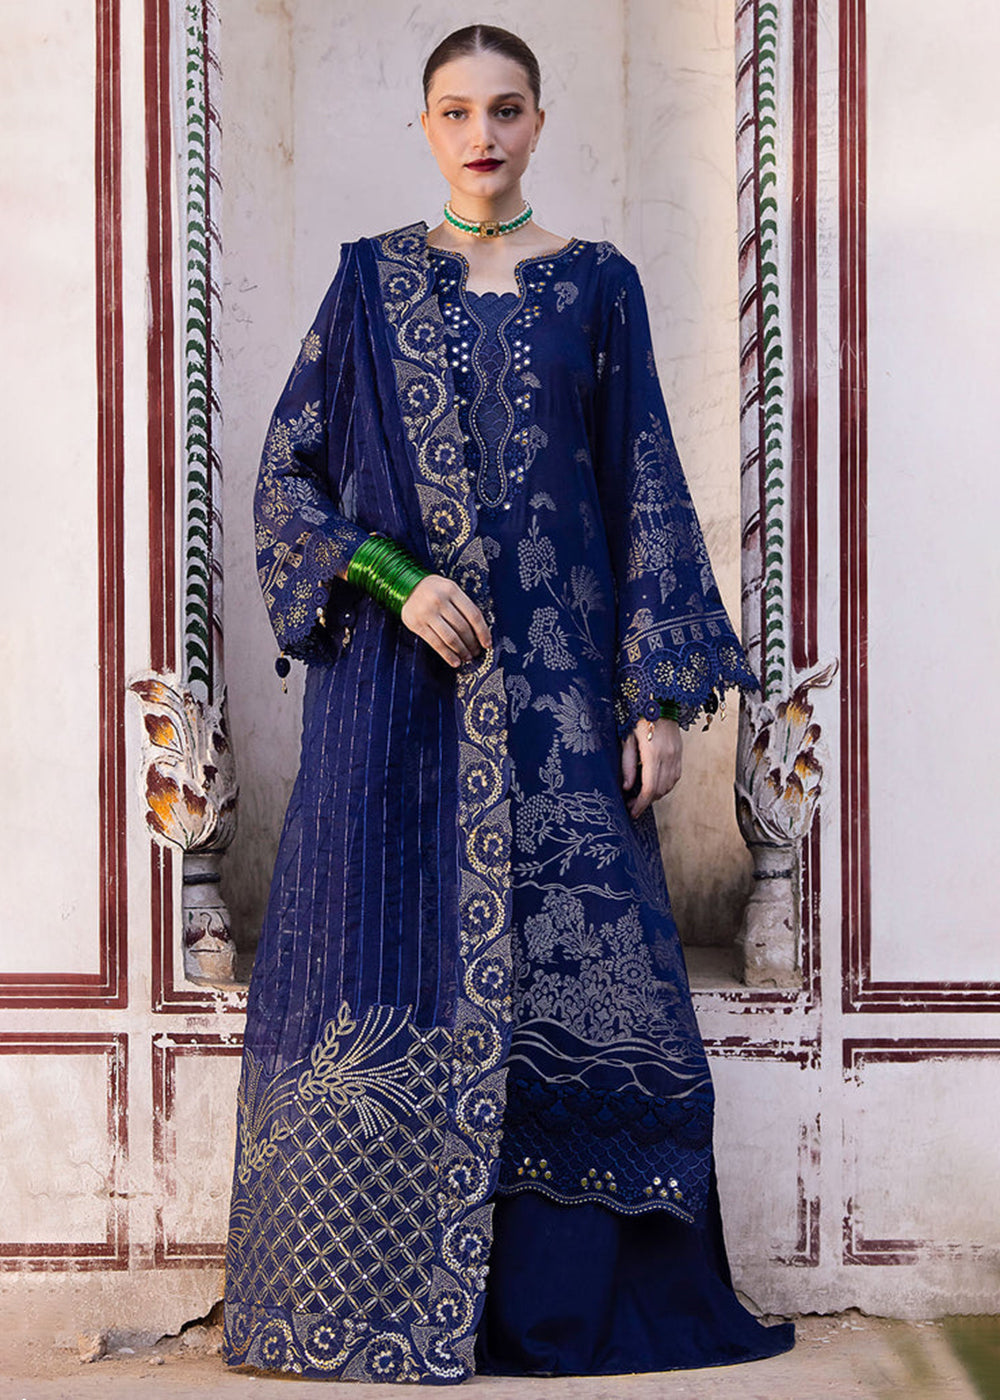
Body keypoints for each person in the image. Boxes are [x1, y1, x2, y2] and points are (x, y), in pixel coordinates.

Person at [222, 22, 795, 1383]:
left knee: (590, 987)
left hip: (560, 709)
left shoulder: (599, 285)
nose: (482, 134)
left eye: (508, 108)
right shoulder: (366, 287)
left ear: (541, 121)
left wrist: (658, 700)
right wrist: (392, 578)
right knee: (383, 963)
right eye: (457, 110)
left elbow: (644, 487)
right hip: (395, 714)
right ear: (425, 125)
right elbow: (285, 482)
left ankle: (557, 1304)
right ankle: (369, 1302)